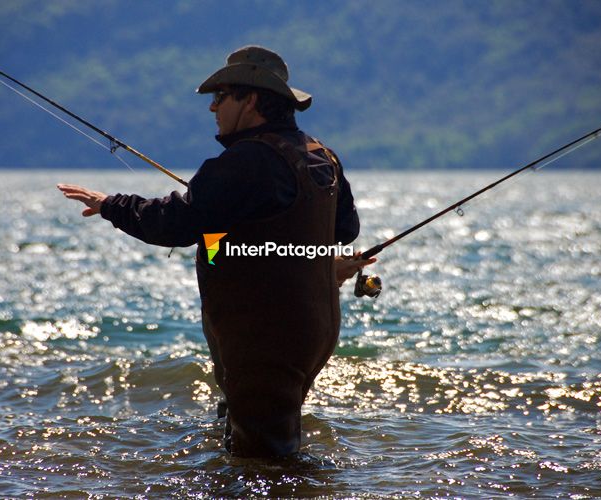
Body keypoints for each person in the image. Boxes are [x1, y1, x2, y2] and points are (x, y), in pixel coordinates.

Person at [58, 45, 375, 457]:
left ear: (252, 100)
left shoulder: (249, 161)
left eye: (220, 96)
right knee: (252, 438)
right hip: (313, 327)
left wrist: (111, 205)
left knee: (266, 462)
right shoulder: (320, 155)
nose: (212, 108)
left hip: (268, 333)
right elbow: (343, 229)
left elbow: (176, 223)